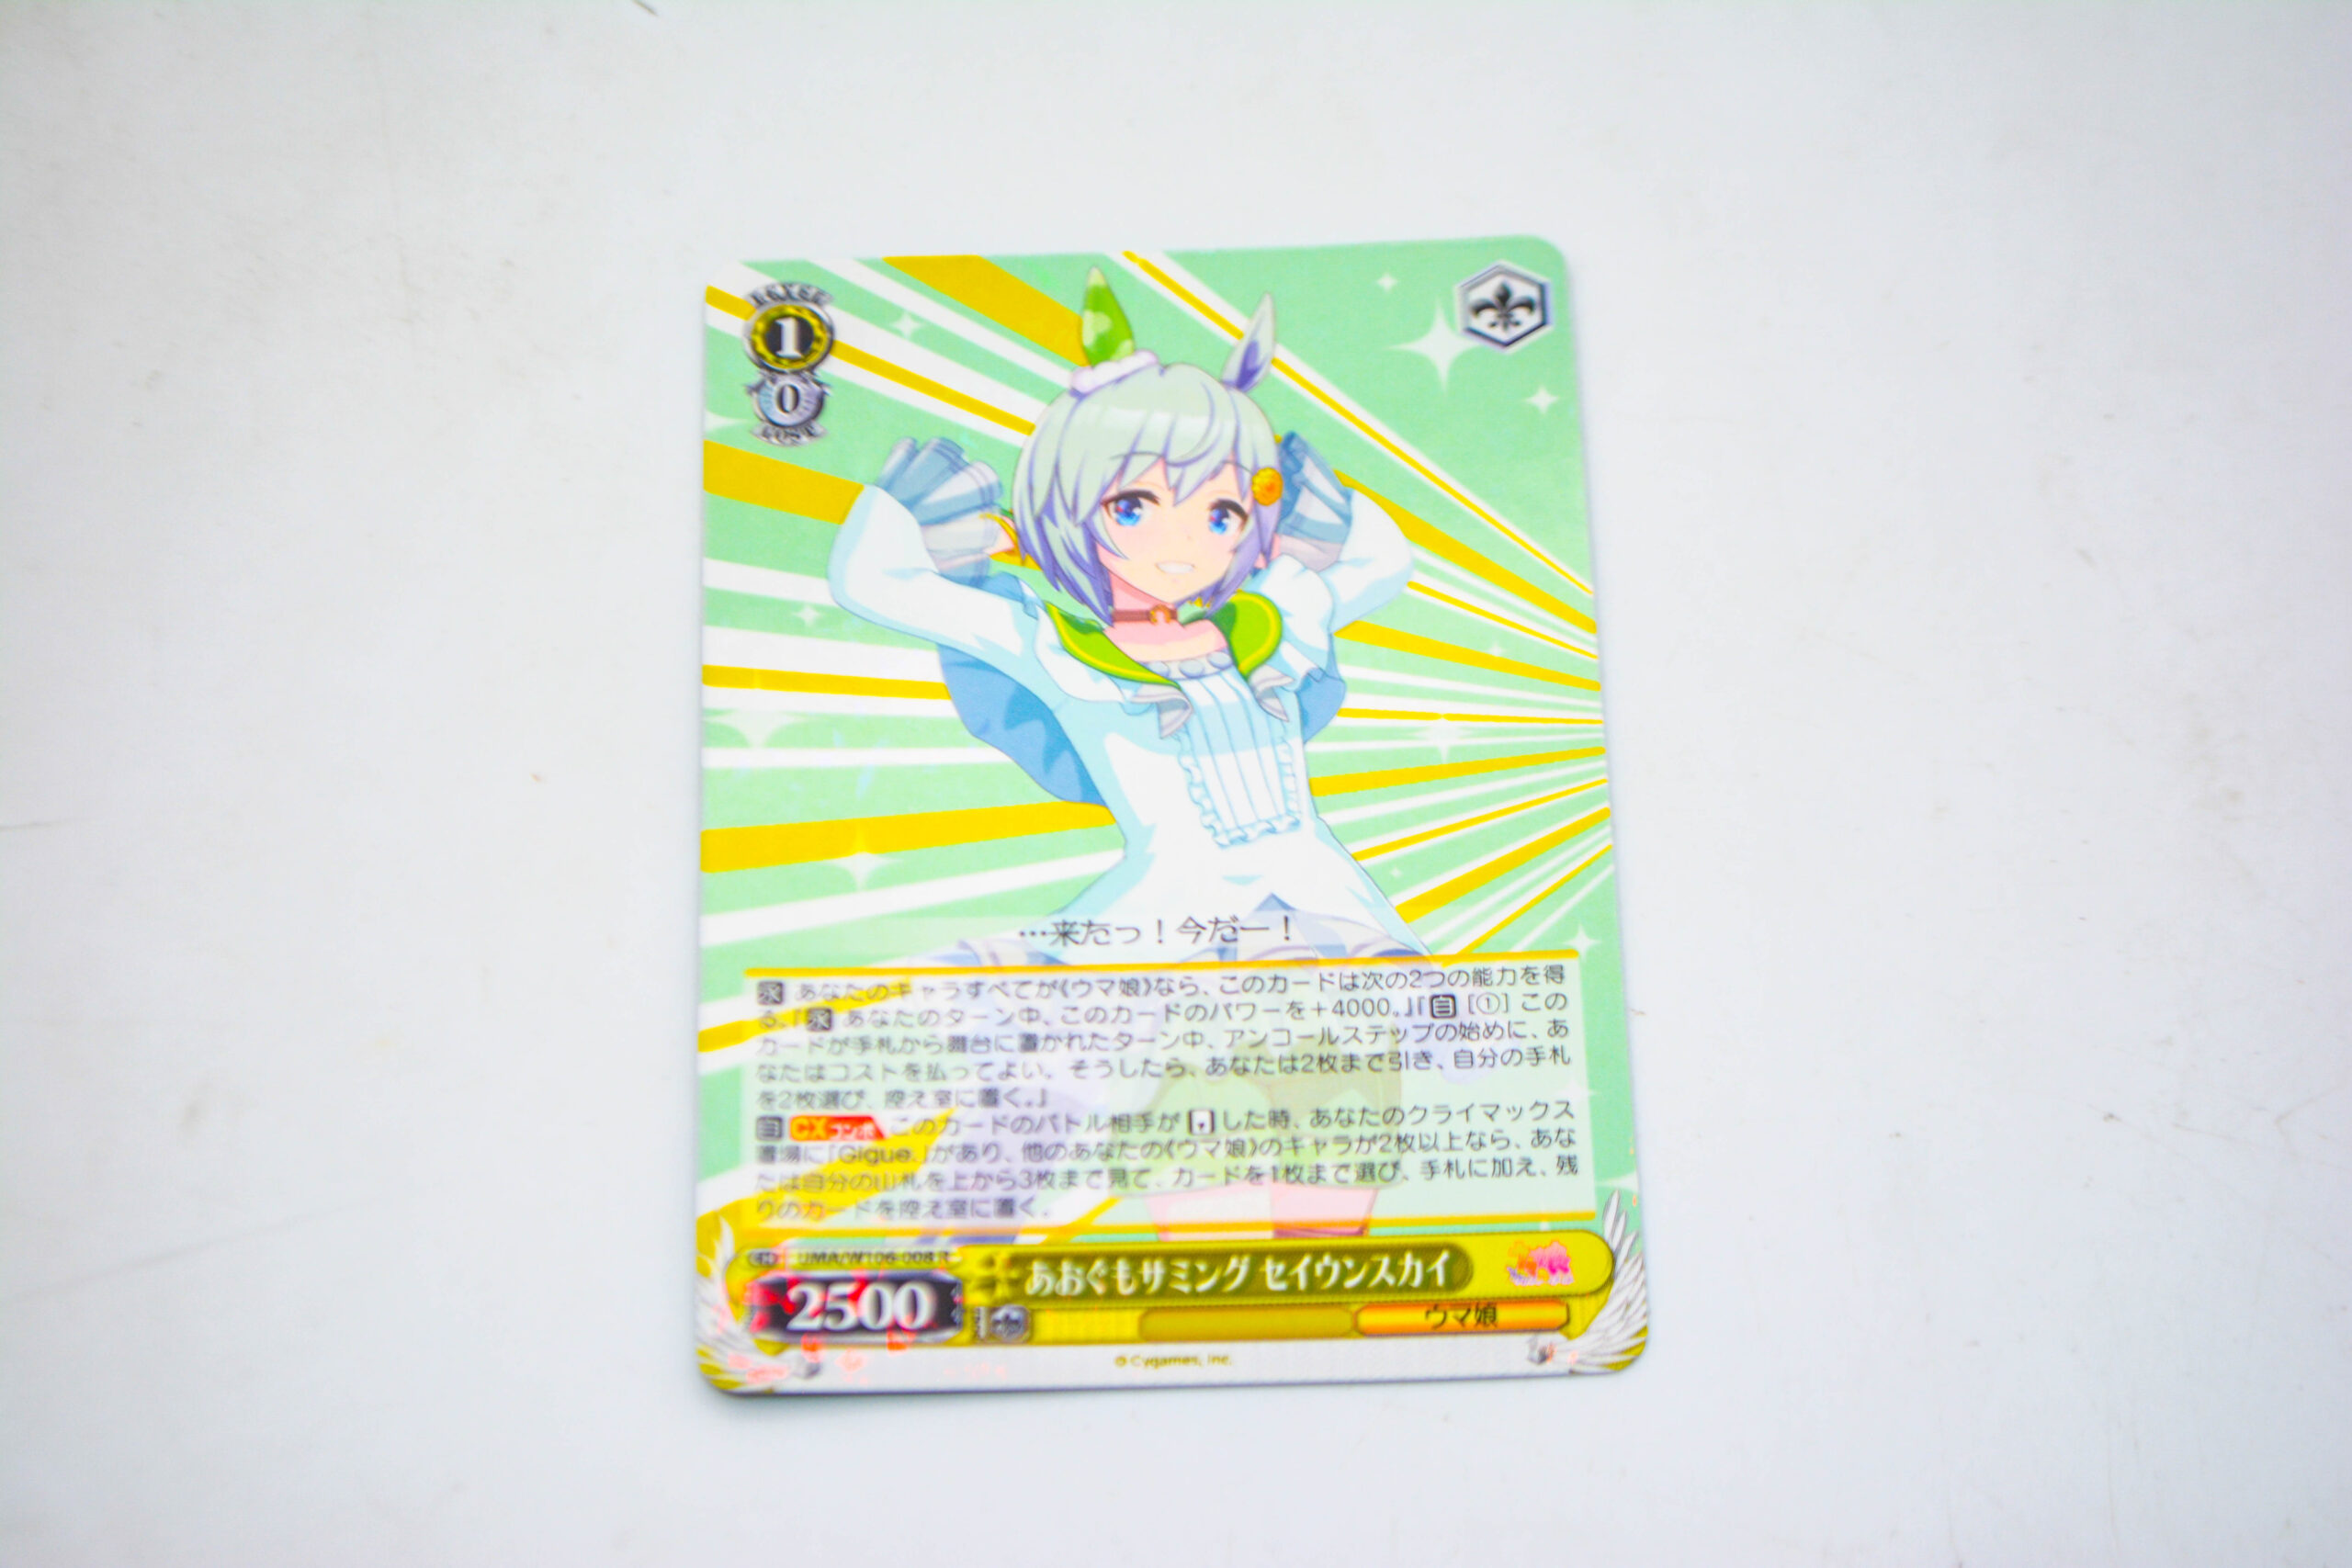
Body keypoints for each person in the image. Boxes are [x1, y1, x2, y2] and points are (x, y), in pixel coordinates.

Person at [827, 270, 1422, 964]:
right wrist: (938, 520)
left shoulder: (1273, 621)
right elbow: (872, 584)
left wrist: (1305, 513)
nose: (1182, 542)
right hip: (1164, 902)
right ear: (1071, 512)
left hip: (1323, 885)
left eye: (1221, 513)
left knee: (1416, 1000)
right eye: (1133, 508)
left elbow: (1383, 562)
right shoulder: (1055, 648)